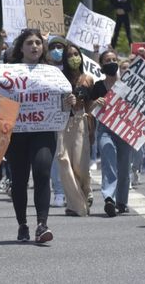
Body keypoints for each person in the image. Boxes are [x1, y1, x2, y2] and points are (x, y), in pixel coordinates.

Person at [5, 29, 74, 243]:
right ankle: (22, 224)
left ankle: (42, 224)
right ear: (21, 48)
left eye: (37, 42)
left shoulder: (52, 73)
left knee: (43, 171)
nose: (34, 46)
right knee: (19, 179)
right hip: (17, 134)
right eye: (29, 43)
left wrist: (68, 103)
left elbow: (61, 102)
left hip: (43, 131)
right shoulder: (8, 72)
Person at [91, 48, 145, 217]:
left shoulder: (127, 83)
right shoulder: (98, 86)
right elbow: (87, 108)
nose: (111, 62)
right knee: (108, 157)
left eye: (114, 59)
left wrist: (144, 54)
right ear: (102, 65)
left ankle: (121, 201)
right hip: (105, 130)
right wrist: (96, 103)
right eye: (107, 60)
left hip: (125, 130)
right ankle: (109, 199)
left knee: (123, 166)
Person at [57, 43, 94, 216]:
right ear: (65, 59)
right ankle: (74, 204)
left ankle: (86, 192)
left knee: (80, 165)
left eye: (76, 54)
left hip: (81, 122)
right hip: (63, 124)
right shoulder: (59, 78)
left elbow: (89, 106)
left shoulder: (88, 79)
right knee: (64, 162)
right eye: (70, 55)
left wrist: (91, 128)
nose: (73, 57)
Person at [46, 35, 67, 208]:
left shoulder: (72, 69)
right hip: (51, 117)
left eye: (60, 47)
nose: (57, 50)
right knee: (56, 156)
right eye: (53, 47)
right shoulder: (44, 69)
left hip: (72, 117)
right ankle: (59, 191)